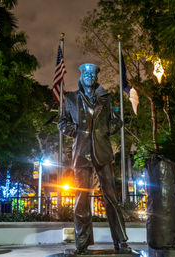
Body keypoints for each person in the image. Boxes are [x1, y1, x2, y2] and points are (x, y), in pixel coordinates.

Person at [58, 63, 131, 254]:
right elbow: (62, 122)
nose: (90, 76)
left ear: (96, 77)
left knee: (111, 197)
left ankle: (121, 241)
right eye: (86, 73)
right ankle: (82, 243)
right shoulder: (71, 98)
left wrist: (105, 130)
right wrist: (74, 131)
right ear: (81, 76)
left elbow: (117, 121)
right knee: (81, 198)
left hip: (102, 152)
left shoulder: (106, 99)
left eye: (93, 73)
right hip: (82, 152)